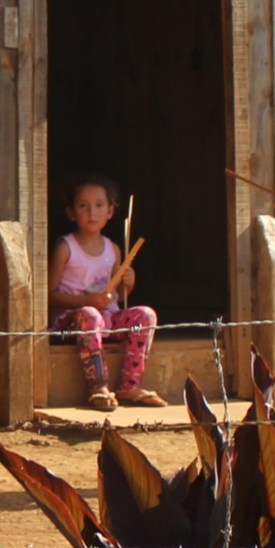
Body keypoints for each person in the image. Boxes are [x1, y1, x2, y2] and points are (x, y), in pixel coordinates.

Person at [49, 174, 166, 410]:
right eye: (83, 205)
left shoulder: (113, 249)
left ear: (110, 211)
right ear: (71, 212)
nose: (92, 212)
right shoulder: (66, 247)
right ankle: (98, 387)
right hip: (74, 322)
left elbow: (116, 298)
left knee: (146, 315)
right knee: (90, 314)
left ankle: (129, 385)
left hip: (108, 320)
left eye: (99, 205)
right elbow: (48, 296)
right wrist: (88, 301)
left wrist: (128, 285)